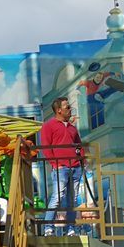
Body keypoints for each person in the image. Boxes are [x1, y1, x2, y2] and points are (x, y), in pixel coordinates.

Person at [39, 97, 87, 235]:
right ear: (59, 110)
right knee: (58, 197)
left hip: (76, 167)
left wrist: (82, 160)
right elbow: (46, 148)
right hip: (61, 168)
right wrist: (55, 164)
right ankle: (48, 226)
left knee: (72, 199)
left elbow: (79, 144)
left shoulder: (72, 128)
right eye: (67, 107)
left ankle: (70, 228)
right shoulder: (49, 125)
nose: (70, 109)